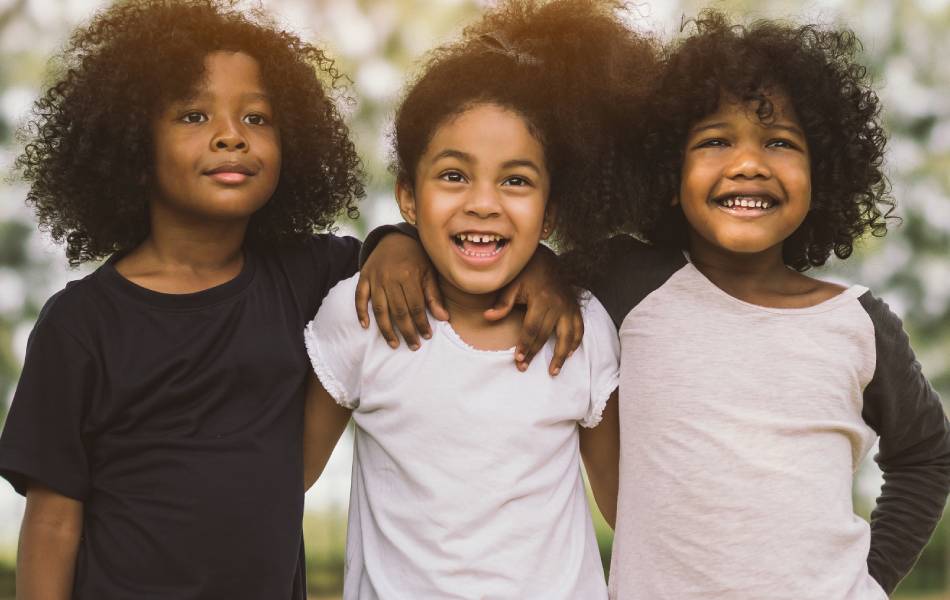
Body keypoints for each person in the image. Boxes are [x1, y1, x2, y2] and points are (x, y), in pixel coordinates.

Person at [301, 1, 658, 597]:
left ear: (550, 210)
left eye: (516, 180)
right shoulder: (362, 316)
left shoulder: (582, 326)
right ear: (409, 199)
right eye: (454, 176)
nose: (484, 203)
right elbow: (280, 483)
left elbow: (635, 513)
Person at [592, 11, 950, 599]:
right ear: (667, 170)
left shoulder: (859, 325)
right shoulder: (626, 284)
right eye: (714, 140)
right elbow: (498, 262)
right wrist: (390, 241)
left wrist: (872, 578)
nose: (749, 163)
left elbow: (926, 455)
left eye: (780, 141)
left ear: (824, 171)